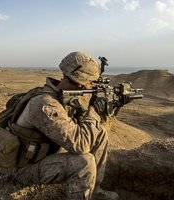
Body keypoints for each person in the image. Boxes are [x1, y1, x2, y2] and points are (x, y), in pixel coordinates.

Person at [11, 52, 119, 200]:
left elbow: (83, 129)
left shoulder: (60, 96)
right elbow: (81, 145)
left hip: (43, 156)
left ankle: (95, 190)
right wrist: (94, 110)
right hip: (25, 168)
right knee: (83, 162)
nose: (91, 86)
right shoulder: (45, 104)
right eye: (90, 83)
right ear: (80, 82)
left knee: (99, 134)